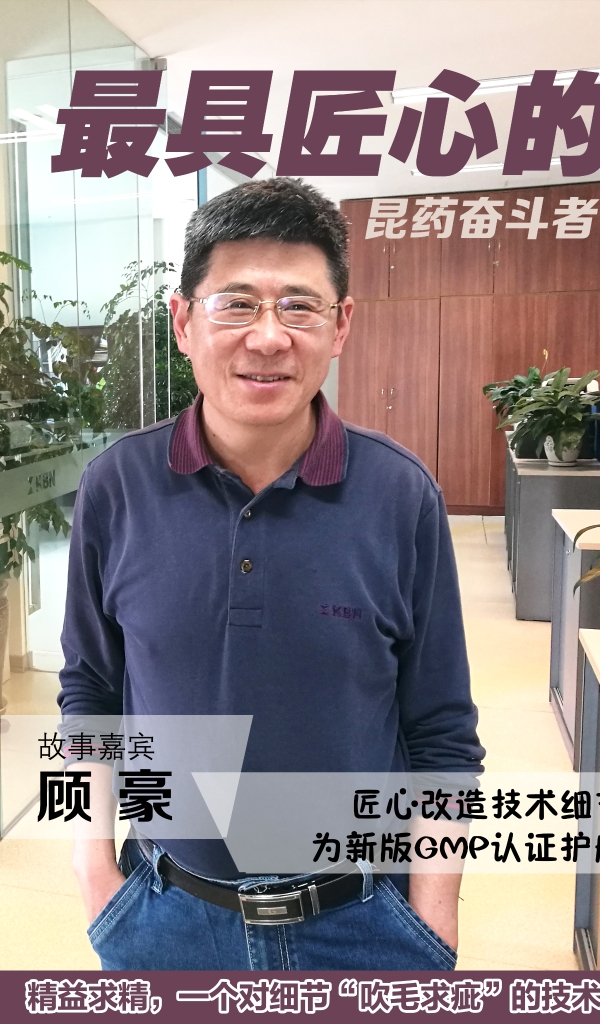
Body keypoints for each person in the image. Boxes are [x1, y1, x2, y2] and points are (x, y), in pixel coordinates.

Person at [58, 176, 485, 970]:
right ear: (183, 322)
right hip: (164, 916)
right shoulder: (115, 487)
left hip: (363, 918)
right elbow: (90, 695)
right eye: (236, 304)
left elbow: (440, 729)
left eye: (298, 306)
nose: (267, 337)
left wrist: (433, 915)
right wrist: (95, 875)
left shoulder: (399, 494)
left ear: (339, 325)